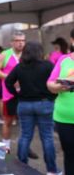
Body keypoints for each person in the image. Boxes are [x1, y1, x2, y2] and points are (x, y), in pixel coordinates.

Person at [5, 41, 60, 175]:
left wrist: (16, 94)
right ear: (39, 52)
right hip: (44, 103)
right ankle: (52, 170)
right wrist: (51, 97)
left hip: (24, 104)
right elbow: (56, 82)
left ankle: (22, 168)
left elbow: (8, 82)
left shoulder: (20, 67)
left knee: (24, 136)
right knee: (47, 137)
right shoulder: (48, 65)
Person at [0, 31, 25, 153]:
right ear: (12, 42)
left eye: (22, 40)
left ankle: (25, 146)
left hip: (25, 94)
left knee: (25, 122)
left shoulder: (27, 54)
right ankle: (6, 146)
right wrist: (9, 78)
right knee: (8, 121)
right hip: (9, 94)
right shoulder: (5, 55)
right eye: (17, 41)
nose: (20, 43)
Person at [47, 28, 74, 175]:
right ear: (72, 40)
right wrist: (61, 86)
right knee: (69, 157)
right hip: (64, 118)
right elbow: (50, 84)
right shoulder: (64, 60)